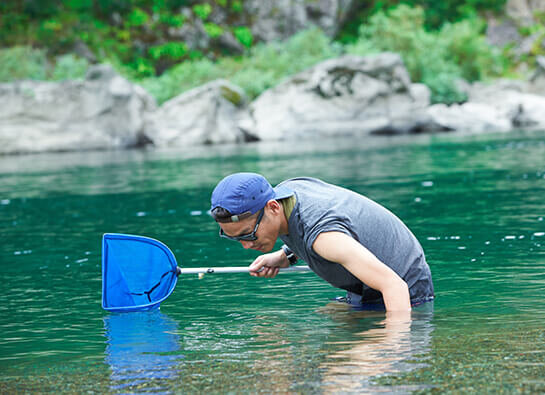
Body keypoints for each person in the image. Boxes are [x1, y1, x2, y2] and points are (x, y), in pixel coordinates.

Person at [210, 172, 434, 312]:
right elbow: (307, 230)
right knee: (328, 314)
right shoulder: (289, 194)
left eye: (249, 234)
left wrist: (395, 352)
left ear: (273, 207)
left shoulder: (325, 237)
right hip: (364, 290)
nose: (246, 245)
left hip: (405, 295)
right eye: (234, 237)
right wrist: (285, 256)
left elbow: (395, 286)